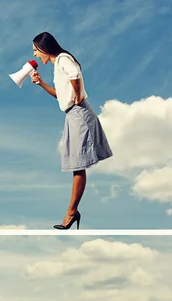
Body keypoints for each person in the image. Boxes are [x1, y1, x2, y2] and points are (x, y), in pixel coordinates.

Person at [29, 32, 113, 230]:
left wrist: (76, 95)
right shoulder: (58, 65)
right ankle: (72, 212)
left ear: (44, 47)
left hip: (78, 113)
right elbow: (60, 96)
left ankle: (71, 212)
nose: (35, 54)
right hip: (72, 114)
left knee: (78, 165)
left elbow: (75, 74)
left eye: (35, 50)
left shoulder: (63, 59)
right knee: (77, 165)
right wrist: (41, 83)